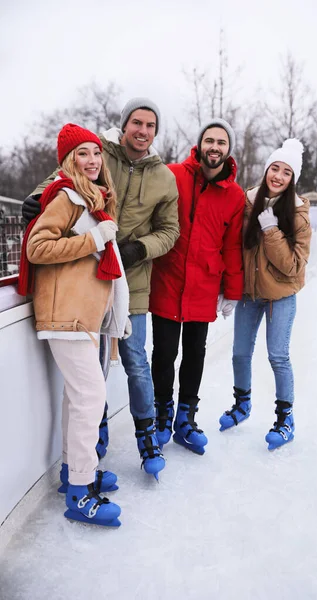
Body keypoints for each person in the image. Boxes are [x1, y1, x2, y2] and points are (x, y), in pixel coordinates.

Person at [22, 98, 180, 480]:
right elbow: (65, 178)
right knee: (92, 379)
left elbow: (170, 231)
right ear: (124, 126)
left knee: (136, 364)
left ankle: (146, 437)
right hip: (88, 283)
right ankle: (91, 449)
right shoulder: (98, 153)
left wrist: (139, 248)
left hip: (132, 283)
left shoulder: (164, 178)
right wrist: (37, 199)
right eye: (136, 123)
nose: (142, 131)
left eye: (150, 126)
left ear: (155, 133)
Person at [18, 123, 131, 526]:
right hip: (63, 314)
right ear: (69, 161)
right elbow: (38, 247)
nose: (93, 160)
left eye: (96, 153)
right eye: (83, 154)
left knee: (77, 398)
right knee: (89, 397)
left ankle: (73, 474)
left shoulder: (93, 201)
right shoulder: (67, 196)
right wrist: (94, 239)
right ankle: (80, 495)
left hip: (81, 314)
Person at [150, 118, 245, 455]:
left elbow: (232, 245)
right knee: (164, 354)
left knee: (194, 354)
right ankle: (162, 414)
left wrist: (232, 290)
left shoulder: (233, 196)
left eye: (221, 142)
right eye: (210, 141)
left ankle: (185, 419)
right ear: (200, 145)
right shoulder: (173, 175)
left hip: (204, 284)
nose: (214, 147)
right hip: (167, 279)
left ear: (228, 150)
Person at [219, 138, 312, 451]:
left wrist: (271, 231)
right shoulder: (247, 202)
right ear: (266, 170)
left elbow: (293, 266)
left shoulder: (298, 214)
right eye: (275, 168)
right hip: (248, 293)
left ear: (292, 179)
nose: (279, 176)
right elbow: (232, 245)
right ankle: (242, 405)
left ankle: (286, 419)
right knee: (239, 353)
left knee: (278, 356)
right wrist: (227, 288)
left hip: (280, 296)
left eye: (286, 172)